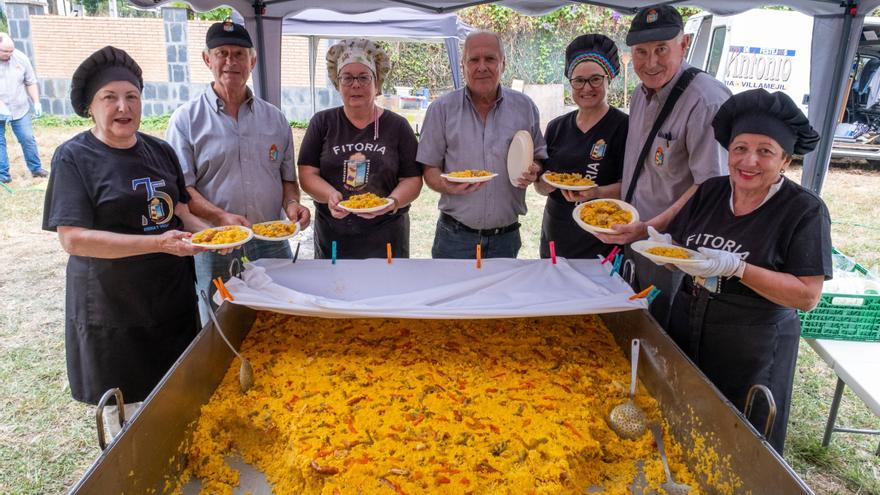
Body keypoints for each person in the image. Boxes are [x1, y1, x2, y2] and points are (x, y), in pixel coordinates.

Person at [41, 46, 213, 419]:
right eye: (110, 97)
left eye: (132, 96)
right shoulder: (74, 157)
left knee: (177, 398)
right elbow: (72, 238)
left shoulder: (160, 150)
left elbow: (179, 210)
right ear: (91, 106)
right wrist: (158, 243)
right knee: (127, 414)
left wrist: (211, 235)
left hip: (170, 302)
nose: (124, 107)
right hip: (113, 307)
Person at [656, 89, 831, 453]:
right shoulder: (711, 191)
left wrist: (739, 268)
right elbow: (680, 250)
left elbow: (807, 296)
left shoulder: (803, 210)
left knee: (740, 443)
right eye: (739, 148)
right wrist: (666, 254)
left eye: (765, 150)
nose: (748, 160)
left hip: (752, 346)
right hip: (688, 322)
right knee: (680, 422)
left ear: (784, 159)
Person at [594, 6, 731, 327]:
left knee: (663, 332)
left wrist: (652, 227)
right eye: (641, 52)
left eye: (661, 49)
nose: (650, 62)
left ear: (683, 45)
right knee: (632, 324)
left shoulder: (706, 100)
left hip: (672, 251)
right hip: (636, 240)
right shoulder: (641, 94)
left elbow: (711, 187)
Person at [165, 19, 311, 322]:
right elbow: (183, 190)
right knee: (221, 318)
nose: (231, 61)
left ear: (253, 61)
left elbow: (287, 180)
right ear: (207, 59)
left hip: (270, 238)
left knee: (283, 313)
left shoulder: (275, 119)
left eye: (239, 54)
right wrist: (221, 218)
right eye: (222, 53)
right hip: (216, 241)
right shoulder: (186, 120)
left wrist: (294, 205)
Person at [418, 31, 547, 259]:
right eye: (474, 60)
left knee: (502, 296)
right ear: (463, 65)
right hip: (454, 237)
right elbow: (430, 170)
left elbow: (536, 157)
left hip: (506, 238)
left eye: (490, 59)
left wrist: (534, 170)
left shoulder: (525, 107)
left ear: (503, 64)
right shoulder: (441, 109)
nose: (482, 67)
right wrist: (448, 186)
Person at [297, 39, 421, 259]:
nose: (355, 85)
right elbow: (307, 174)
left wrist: (390, 203)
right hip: (334, 235)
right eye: (347, 78)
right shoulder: (322, 122)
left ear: (376, 83)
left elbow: (412, 180)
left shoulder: (398, 126)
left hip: (388, 236)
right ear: (338, 83)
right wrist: (330, 195)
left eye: (364, 77)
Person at [534, 34, 627, 259]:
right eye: (578, 80)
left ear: (608, 80)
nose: (586, 88)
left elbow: (633, 186)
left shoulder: (624, 127)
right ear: (571, 83)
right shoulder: (557, 127)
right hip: (557, 232)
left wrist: (596, 192)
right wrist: (544, 186)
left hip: (602, 233)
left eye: (595, 79)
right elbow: (540, 184)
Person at [0, 33, 48, 183]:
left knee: (27, 138)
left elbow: (30, 81)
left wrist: (36, 102)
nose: (10, 54)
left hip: (20, 108)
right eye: (5, 51)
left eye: (11, 50)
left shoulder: (20, 58)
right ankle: (3, 175)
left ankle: (36, 168)